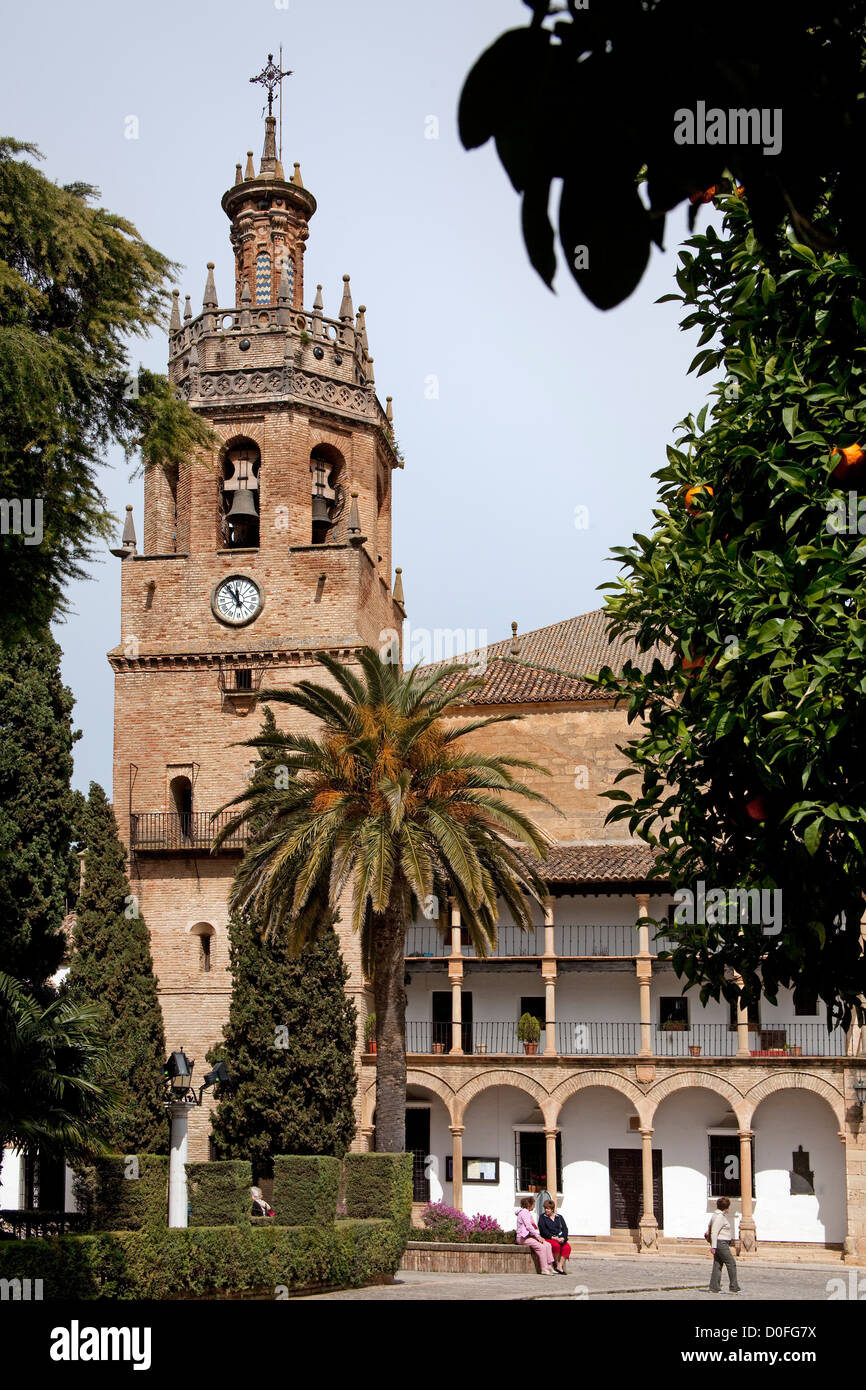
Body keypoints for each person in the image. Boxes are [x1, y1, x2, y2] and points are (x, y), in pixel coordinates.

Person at [707, 1196, 741, 1293]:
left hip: (719, 1242)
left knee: (717, 1264)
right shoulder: (719, 1217)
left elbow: (709, 1226)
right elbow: (714, 1231)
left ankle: (714, 1287)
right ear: (726, 1207)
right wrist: (713, 1246)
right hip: (721, 1242)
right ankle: (734, 1287)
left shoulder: (715, 1215)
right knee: (731, 1263)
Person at [516, 1196, 555, 1274]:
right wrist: (538, 1236)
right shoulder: (524, 1212)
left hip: (529, 1236)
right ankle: (544, 1268)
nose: (534, 1206)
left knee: (547, 1244)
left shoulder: (526, 1212)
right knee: (541, 1247)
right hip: (522, 1238)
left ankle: (550, 1266)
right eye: (533, 1204)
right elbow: (528, 1226)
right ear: (529, 1205)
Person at [538, 1199, 571, 1274]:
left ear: (552, 1209)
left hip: (560, 1238)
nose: (547, 1210)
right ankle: (556, 1263)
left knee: (567, 1247)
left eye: (548, 1209)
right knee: (556, 1246)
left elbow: (565, 1229)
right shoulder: (542, 1217)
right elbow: (543, 1230)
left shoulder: (559, 1217)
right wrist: (553, 1238)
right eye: (545, 1208)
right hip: (549, 1238)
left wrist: (563, 1237)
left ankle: (560, 1266)